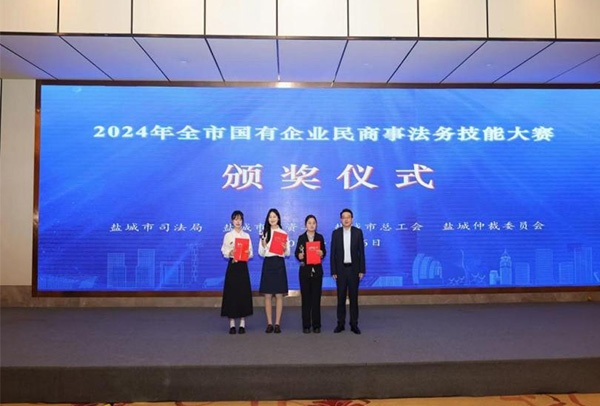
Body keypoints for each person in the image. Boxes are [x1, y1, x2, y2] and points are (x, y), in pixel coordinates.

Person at [330, 208, 365, 334]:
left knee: (354, 298)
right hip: (340, 270)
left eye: (348, 217)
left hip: (354, 270)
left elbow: (361, 253)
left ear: (352, 219)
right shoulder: (336, 233)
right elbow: (333, 254)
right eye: (343, 217)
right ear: (341, 219)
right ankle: (340, 323)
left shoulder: (358, 232)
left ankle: (354, 324)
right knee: (341, 298)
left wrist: (362, 270)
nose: (346, 219)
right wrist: (333, 271)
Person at [220, 210, 253, 334]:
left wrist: (248, 253)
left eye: (240, 219)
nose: (238, 222)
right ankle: (232, 324)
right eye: (235, 219)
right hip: (233, 266)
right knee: (232, 293)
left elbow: (251, 252)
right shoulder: (228, 235)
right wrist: (230, 252)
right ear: (232, 221)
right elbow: (224, 250)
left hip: (243, 266)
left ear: (242, 221)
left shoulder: (246, 236)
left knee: (243, 293)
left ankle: (243, 323)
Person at [258, 208, 290, 334]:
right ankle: (269, 323)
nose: (272, 219)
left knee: (279, 295)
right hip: (268, 263)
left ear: (278, 218)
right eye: (270, 217)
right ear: (268, 219)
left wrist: (284, 248)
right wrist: (263, 243)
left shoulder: (283, 233)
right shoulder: (265, 233)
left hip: (279, 263)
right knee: (267, 295)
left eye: (274, 216)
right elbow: (261, 253)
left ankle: (277, 324)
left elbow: (287, 253)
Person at [295, 215, 326, 334]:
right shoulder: (301, 238)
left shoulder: (320, 237)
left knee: (316, 299)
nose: (312, 225)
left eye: (314, 223)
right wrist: (299, 256)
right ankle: (306, 325)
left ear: (316, 225)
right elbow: (297, 253)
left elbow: (324, 252)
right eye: (309, 223)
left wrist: (321, 253)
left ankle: (317, 325)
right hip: (305, 272)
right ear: (305, 225)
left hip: (317, 272)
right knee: (306, 299)